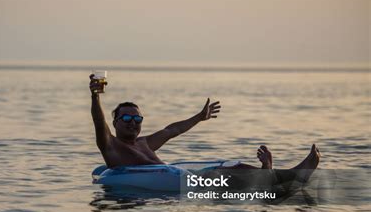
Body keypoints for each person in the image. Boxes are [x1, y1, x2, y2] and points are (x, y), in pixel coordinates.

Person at [89, 75, 320, 181]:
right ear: (116, 123)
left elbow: (172, 130)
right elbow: (99, 122)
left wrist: (199, 117)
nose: (133, 123)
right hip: (170, 181)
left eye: (137, 119)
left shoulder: (144, 143)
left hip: (176, 176)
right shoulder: (111, 145)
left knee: (230, 165)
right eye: (127, 119)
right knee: (216, 174)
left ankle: (289, 174)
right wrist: (96, 96)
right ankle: (268, 176)